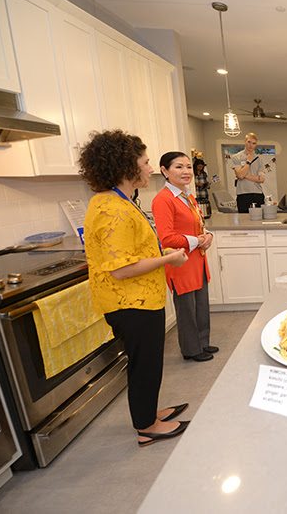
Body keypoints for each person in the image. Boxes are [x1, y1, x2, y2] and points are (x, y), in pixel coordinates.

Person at [79, 130, 190, 448]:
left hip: (135, 300)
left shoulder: (114, 201)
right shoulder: (113, 209)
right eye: (145, 162)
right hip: (132, 302)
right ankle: (147, 426)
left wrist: (161, 257)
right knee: (145, 363)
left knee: (148, 361)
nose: (150, 168)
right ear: (126, 167)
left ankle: (149, 413)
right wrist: (168, 258)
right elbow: (122, 267)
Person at [152, 151, 217, 363]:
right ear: (164, 171)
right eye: (179, 167)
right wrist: (197, 241)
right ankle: (191, 349)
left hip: (198, 259)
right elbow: (166, 238)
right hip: (181, 261)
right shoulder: (163, 200)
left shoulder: (188, 196)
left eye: (188, 166)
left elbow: (199, 225)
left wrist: (207, 236)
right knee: (187, 309)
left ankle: (202, 342)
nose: (186, 171)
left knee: (201, 305)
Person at [230, 133, 266, 213]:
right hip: (243, 194)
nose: (251, 145)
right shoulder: (236, 157)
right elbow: (240, 176)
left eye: (254, 143)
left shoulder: (259, 159)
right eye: (249, 142)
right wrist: (248, 162)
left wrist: (244, 174)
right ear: (245, 141)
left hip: (257, 193)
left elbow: (261, 179)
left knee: (258, 220)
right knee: (243, 221)